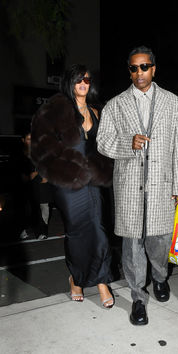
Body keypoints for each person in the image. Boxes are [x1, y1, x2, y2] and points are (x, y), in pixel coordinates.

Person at [96, 45, 178, 324]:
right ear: (129, 71)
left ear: (154, 68)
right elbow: (102, 142)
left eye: (144, 66)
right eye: (134, 68)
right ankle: (138, 298)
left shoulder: (174, 103)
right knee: (132, 245)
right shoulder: (115, 104)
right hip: (128, 187)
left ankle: (160, 277)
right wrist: (128, 143)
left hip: (163, 185)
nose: (139, 72)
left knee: (159, 241)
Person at [30, 64, 114, 308]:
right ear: (70, 82)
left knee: (99, 231)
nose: (83, 83)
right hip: (68, 185)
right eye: (78, 79)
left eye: (87, 79)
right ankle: (75, 279)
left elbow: (105, 147)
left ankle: (101, 281)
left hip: (94, 182)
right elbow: (40, 144)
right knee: (77, 233)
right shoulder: (57, 110)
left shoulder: (97, 111)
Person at [13, 131, 52, 240]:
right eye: (28, 139)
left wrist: (46, 176)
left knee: (44, 208)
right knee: (27, 210)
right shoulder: (20, 155)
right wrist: (34, 174)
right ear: (23, 140)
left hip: (41, 186)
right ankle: (23, 229)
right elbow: (23, 177)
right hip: (28, 188)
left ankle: (42, 232)